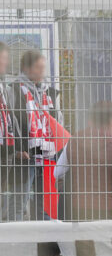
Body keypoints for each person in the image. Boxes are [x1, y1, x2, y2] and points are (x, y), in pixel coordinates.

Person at [9, 49, 65, 220]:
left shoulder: (49, 92)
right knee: (20, 200)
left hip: (47, 154)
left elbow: (58, 120)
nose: (42, 72)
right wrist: (17, 149)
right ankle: (14, 241)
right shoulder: (14, 91)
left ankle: (45, 242)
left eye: (43, 68)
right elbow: (9, 122)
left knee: (45, 202)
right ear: (26, 68)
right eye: (38, 68)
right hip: (25, 155)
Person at [54, 101, 112, 221]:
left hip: (78, 209)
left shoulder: (73, 141)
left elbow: (57, 172)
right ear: (111, 121)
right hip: (108, 209)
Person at [0, 42, 21, 221]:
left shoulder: (4, 86)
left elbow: (10, 117)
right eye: (3, 59)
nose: (5, 63)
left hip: (5, 147)